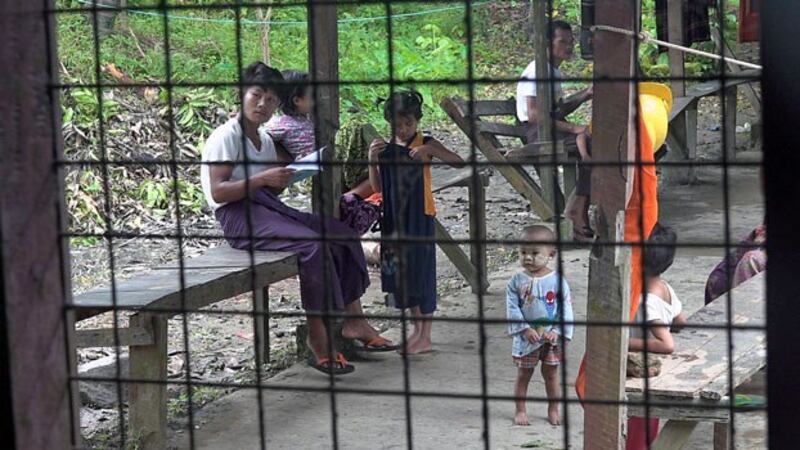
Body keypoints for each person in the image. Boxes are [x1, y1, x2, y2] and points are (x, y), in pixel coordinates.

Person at [200, 62, 398, 376]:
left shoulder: (263, 139)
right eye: (257, 95)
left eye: (271, 99)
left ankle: (354, 321)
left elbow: (268, 188)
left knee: (340, 233)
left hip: (264, 208)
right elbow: (219, 191)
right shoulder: (227, 136)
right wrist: (265, 179)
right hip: (237, 217)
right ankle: (318, 339)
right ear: (241, 94)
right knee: (313, 246)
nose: (263, 104)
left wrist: (280, 179)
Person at [368, 90, 465, 355]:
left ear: (417, 120)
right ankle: (416, 331)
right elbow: (377, 188)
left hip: (419, 217)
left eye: (408, 123)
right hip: (393, 221)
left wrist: (431, 150)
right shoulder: (385, 147)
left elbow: (459, 162)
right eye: (396, 125)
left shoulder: (425, 142)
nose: (402, 129)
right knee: (402, 277)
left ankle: (426, 335)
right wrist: (371, 160)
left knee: (421, 275)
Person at [516, 20, 594, 242]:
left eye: (571, 42)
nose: (568, 47)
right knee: (591, 145)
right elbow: (534, 115)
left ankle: (578, 211)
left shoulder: (554, 72)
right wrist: (574, 128)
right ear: (548, 43)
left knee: (597, 144)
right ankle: (576, 213)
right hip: (537, 132)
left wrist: (584, 95)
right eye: (563, 42)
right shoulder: (536, 71)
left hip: (549, 128)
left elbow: (556, 111)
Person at [506, 225, 574, 426]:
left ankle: (553, 409)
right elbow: (512, 307)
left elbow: (566, 308)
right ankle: (520, 410)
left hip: (550, 339)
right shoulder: (516, 281)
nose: (528, 258)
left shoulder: (557, 281)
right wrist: (524, 329)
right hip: (527, 338)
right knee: (523, 374)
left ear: (551, 254)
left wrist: (558, 331)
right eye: (523, 253)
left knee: (551, 374)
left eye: (535, 253)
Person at [627, 223, 686, 450]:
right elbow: (681, 321)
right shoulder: (665, 287)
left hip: (644, 374)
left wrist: (625, 343)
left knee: (638, 429)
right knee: (646, 425)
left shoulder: (647, 301)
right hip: (652, 374)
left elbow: (666, 344)